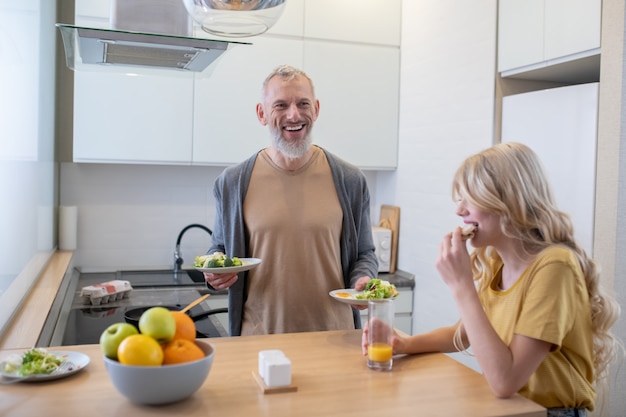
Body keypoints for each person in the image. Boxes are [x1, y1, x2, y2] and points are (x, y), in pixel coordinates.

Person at [362, 142, 622, 416]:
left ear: (508, 202)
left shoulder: (555, 266)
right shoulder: (499, 263)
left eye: (469, 198)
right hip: (513, 408)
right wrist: (402, 343)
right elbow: (461, 334)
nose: (459, 211)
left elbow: (505, 381)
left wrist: (461, 286)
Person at [204, 64, 378, 336]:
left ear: (316, 109)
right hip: (259, 340)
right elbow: (220, 248)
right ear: (262, 113)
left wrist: (364, 281)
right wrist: (215, 269)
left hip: (335, 337)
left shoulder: (350, 179)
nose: (294, 115)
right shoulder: (233, 182)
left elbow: (364, 254)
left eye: (303, 103)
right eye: (281, 105)